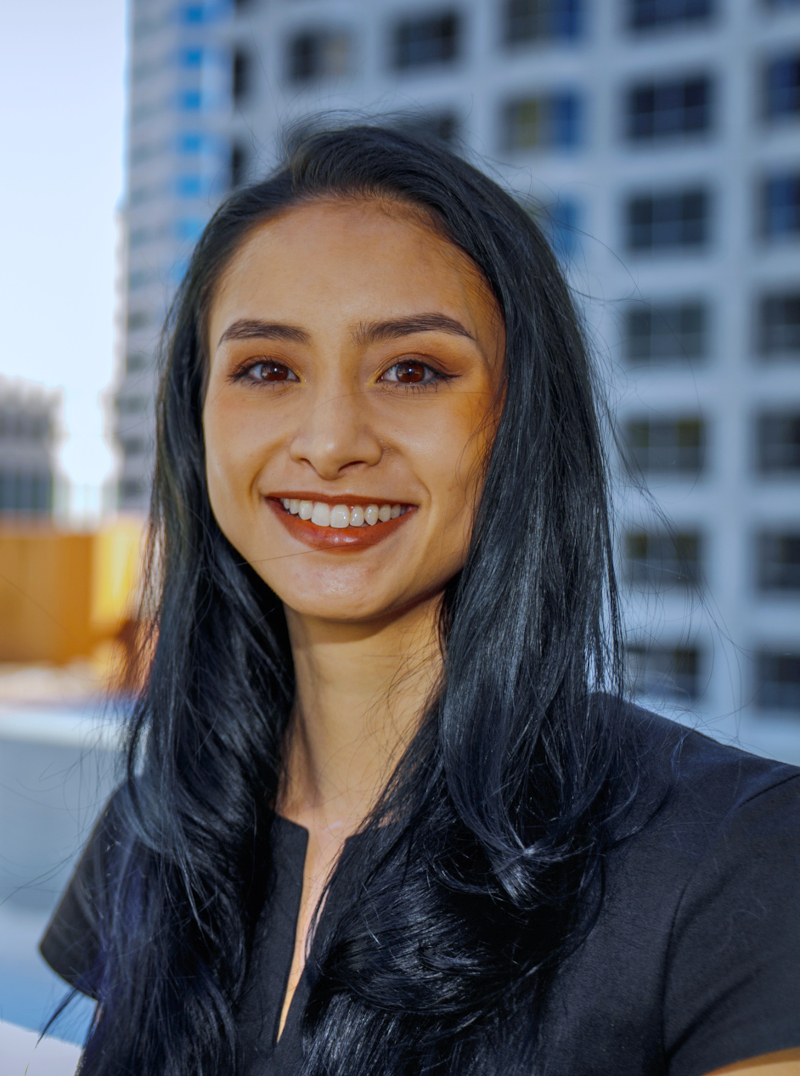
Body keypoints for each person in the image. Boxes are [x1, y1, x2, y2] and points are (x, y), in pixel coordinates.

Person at [41, 125, 800, 1076]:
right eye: (268, 369)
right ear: (198, 422)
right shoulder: (152, 838)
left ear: (520, 419)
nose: (329, 441)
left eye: (413, 371)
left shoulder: (738, 860)